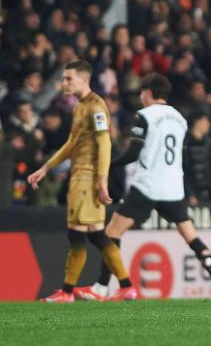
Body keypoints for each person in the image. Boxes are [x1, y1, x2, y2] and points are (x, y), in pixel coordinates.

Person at [74, 73, 211, 300]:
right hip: (173, 188)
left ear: (149, 93)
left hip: (148, 186)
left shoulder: (143, 116)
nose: (141, 97)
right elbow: (180, 156)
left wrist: (107, 165)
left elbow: (133, 153)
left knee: (112, 232)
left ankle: (102, 288)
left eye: (142, 93)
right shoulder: (180, 119)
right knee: (190, 235)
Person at [27, 60, 136, 303]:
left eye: (68, 78)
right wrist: (46, 167)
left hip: (87, 178)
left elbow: (105, 143)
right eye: (64, 79)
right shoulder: (80, 107)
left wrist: (101, 180)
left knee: (77, 233)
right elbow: (71, 144)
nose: (63, 83)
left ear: (83, 79)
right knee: (95, 234)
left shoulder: (96, 107)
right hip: (81, 176)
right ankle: (126, 286)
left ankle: (67, 292)